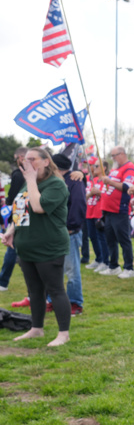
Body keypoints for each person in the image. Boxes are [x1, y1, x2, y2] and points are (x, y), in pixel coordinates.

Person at [2, 147, 71, 347]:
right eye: (25, 159)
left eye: (32, 159)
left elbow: (39, 207)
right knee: (34, 291)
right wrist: (11, 230)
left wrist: (31, 180)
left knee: (55, 290)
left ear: (46, 161)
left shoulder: (56, 185)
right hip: (27, 246)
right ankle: (36, 328)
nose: (27, 162)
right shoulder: (28, 183)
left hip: (49, 247)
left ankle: (63, 334)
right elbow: (21, 209)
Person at [53, 154, 86, 317]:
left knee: (72, 269)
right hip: (54, 231)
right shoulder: (55, 181)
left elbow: (79, 204)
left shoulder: (74, 180)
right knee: (53, 268)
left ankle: (75, 303)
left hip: (69, 232)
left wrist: (71, 227)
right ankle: (51, 300)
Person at [98, 146, 134, 278]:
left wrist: (110, 182)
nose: (113, 158)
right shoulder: (115, 169)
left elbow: (127, 186)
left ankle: (129, 267)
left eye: (114, 155)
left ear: (122, 154)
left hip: (119, 209)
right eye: (112, 155)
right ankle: (113, 265)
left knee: (123, 239)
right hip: (108, 210)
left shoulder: (129, 168)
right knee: (110, 239)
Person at [0, 147, 27, 292]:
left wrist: (10, 214)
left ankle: (3, 282)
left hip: (20, 214)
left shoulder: (19, 175)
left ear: (21, 157)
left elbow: (15, 197)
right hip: (22, 215)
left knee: (13, 249)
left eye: (16, 158)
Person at [83, 159, 110, 274]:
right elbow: (85, 195)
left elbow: (109, 195)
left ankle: (105, 261)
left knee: (101, 237)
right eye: (93, 166)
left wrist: (99, 193)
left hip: (99, 212)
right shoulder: (91, 180)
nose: (94, 168)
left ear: (104, 168)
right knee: (92, 237)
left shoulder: (106, 180)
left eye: (97, 166)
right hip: (89, 211)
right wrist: (91, 193)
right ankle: (98, 259)